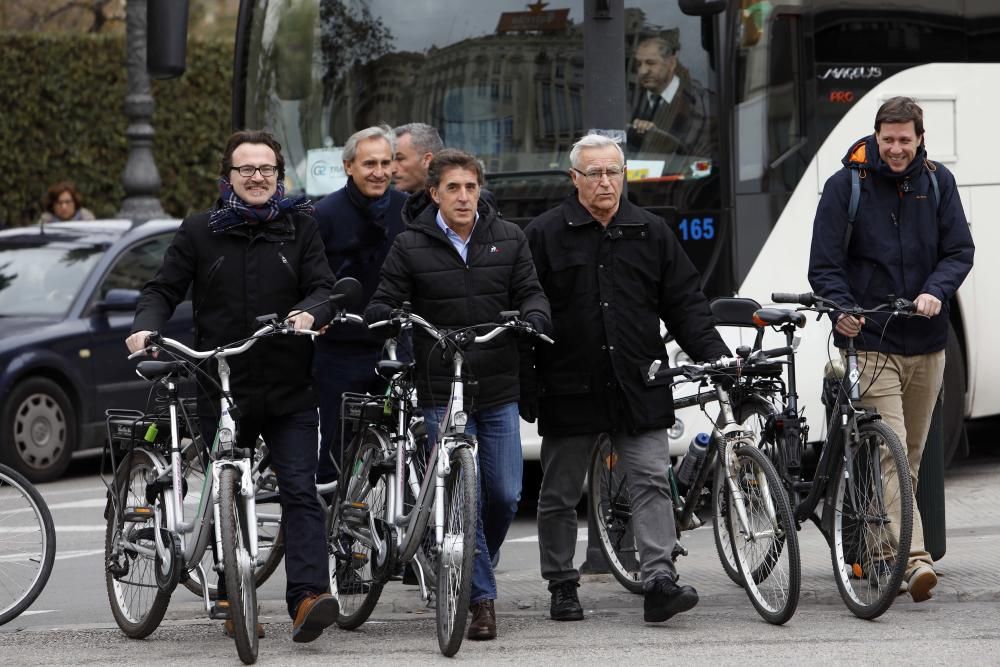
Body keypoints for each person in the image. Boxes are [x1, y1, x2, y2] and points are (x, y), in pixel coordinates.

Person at [125, 129, 340, 643]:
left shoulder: (299, 227)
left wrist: (311, 313)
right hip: (221, 382)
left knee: (299, 490)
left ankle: (308, 597)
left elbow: (323, 287)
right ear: (228, 178)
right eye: (246, 170)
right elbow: (162, 288)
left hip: (289, 383)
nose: (257, 177)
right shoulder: (200, 231)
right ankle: (231, 593)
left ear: (279, 175)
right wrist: (144, 326)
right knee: (229, 485)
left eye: (266, 169)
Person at [523, 133, 729, 624]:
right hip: (570, 384)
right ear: (574, 179)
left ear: (624, 176)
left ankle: (659, 580)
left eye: (613, 172)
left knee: (653, 481)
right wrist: (526, 382)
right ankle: (561, 583)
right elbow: (526, 311)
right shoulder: (544, 234)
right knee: (559, 492)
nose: (604, 182)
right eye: (593, 173)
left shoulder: (650, 230)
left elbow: (684, 304)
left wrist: (715, 354)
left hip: (640, 382)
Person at [365, 149, 551, 641]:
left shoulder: (509, 238)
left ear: (480, 190)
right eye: (453, 188)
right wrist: (387, 315)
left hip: (497, 386)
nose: (464, 196)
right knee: (457, 495)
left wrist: (534, 317)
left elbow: (531, 291)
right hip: (439, 387)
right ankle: (481, 599)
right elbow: (384, 297)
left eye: (471, 187)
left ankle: (465, 559)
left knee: (505, 492)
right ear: (435, 194)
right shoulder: (410, 245)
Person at [808, 96, 974, 603]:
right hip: (872, 342)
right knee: (893, 451)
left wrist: (936, 290)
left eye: (905, 139)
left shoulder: (938, 183)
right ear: (876, 137)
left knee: (912, 458)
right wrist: (842, 308)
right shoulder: (845, 188)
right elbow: (824, 266)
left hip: (927, 342)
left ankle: (884, 547)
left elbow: (959, 251)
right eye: (888, 139)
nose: (896, 148)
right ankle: (914, 560)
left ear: (920, 139)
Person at [312, 125, 408, 486]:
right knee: (338, 448)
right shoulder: (324, 214)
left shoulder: (408, 209)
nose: (380, 171)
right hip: (341, 347)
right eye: (370, 163)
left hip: (396, 343)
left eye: (386, 162)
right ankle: (330, 527)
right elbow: (314, 279)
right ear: (348, 165)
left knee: (401, 444)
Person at [626, 30, 712, 158]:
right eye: (639, 64)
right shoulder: (628, 100)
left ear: (671, 63)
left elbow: (702, 155)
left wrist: (659, 140)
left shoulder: (702, 103)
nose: (643, 71)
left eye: (650, 63)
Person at [393, 122, 443, 194]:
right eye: (391, 159)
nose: (392, 169)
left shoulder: (459, 201)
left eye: (400, 159)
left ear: (427, 160)